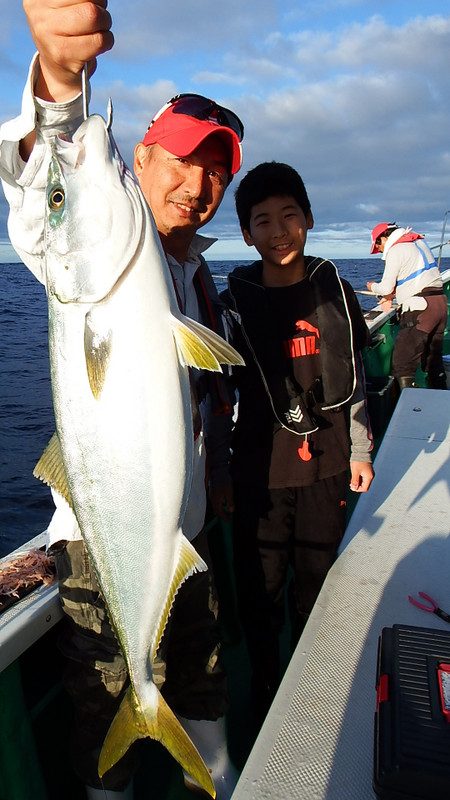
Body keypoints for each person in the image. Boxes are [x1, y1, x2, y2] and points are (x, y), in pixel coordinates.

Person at [0, 2, 244, 798]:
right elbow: (44, 201)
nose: (196, 182)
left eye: (215, 169)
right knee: (102, 690)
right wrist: (60, 82)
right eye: (179, 160)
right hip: (104, 533)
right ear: (140, 159)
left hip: (187, 526)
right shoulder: (104, 243)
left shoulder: (196, 278)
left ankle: (219, 781)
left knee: (203, 676)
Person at [220, 161, 374, 723]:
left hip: (328, 468)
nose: (278, 230)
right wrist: (218, 472)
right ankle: (265, 690)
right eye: (262, 220)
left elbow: (357, 378)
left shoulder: (334, 292)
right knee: (261, 595)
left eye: (289, 215)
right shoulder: (233, 304)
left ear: (308, 219)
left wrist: (360, 450)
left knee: (315, 586)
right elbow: (216, 396)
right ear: (246, 233)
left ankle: (310, 688)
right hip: (258, 475)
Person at [367, 222, 448, 391]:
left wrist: (373, 287)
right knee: (433, 362)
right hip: (439, 304)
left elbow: (385, 287)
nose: (380, 249)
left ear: (384, 237)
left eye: (378, 244)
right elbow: (416, 276)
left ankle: (407, 412)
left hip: (420, 309)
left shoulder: (396, 250)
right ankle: (441, 403)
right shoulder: (419, 242)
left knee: (403, 365)